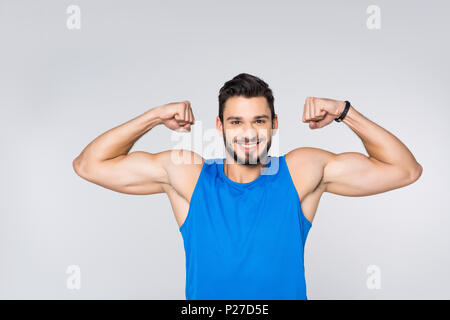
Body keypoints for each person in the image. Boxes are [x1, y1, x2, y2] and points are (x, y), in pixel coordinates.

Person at [72, 73, 422, 300]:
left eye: (259, 120)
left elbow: (404, 171)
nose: (249, 132)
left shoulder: (300, 171)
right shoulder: (189, 176)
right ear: (220, 127)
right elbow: (88, 165)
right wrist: (153, 116)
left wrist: (345, 111)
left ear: (274, 125)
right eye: (236, 121)